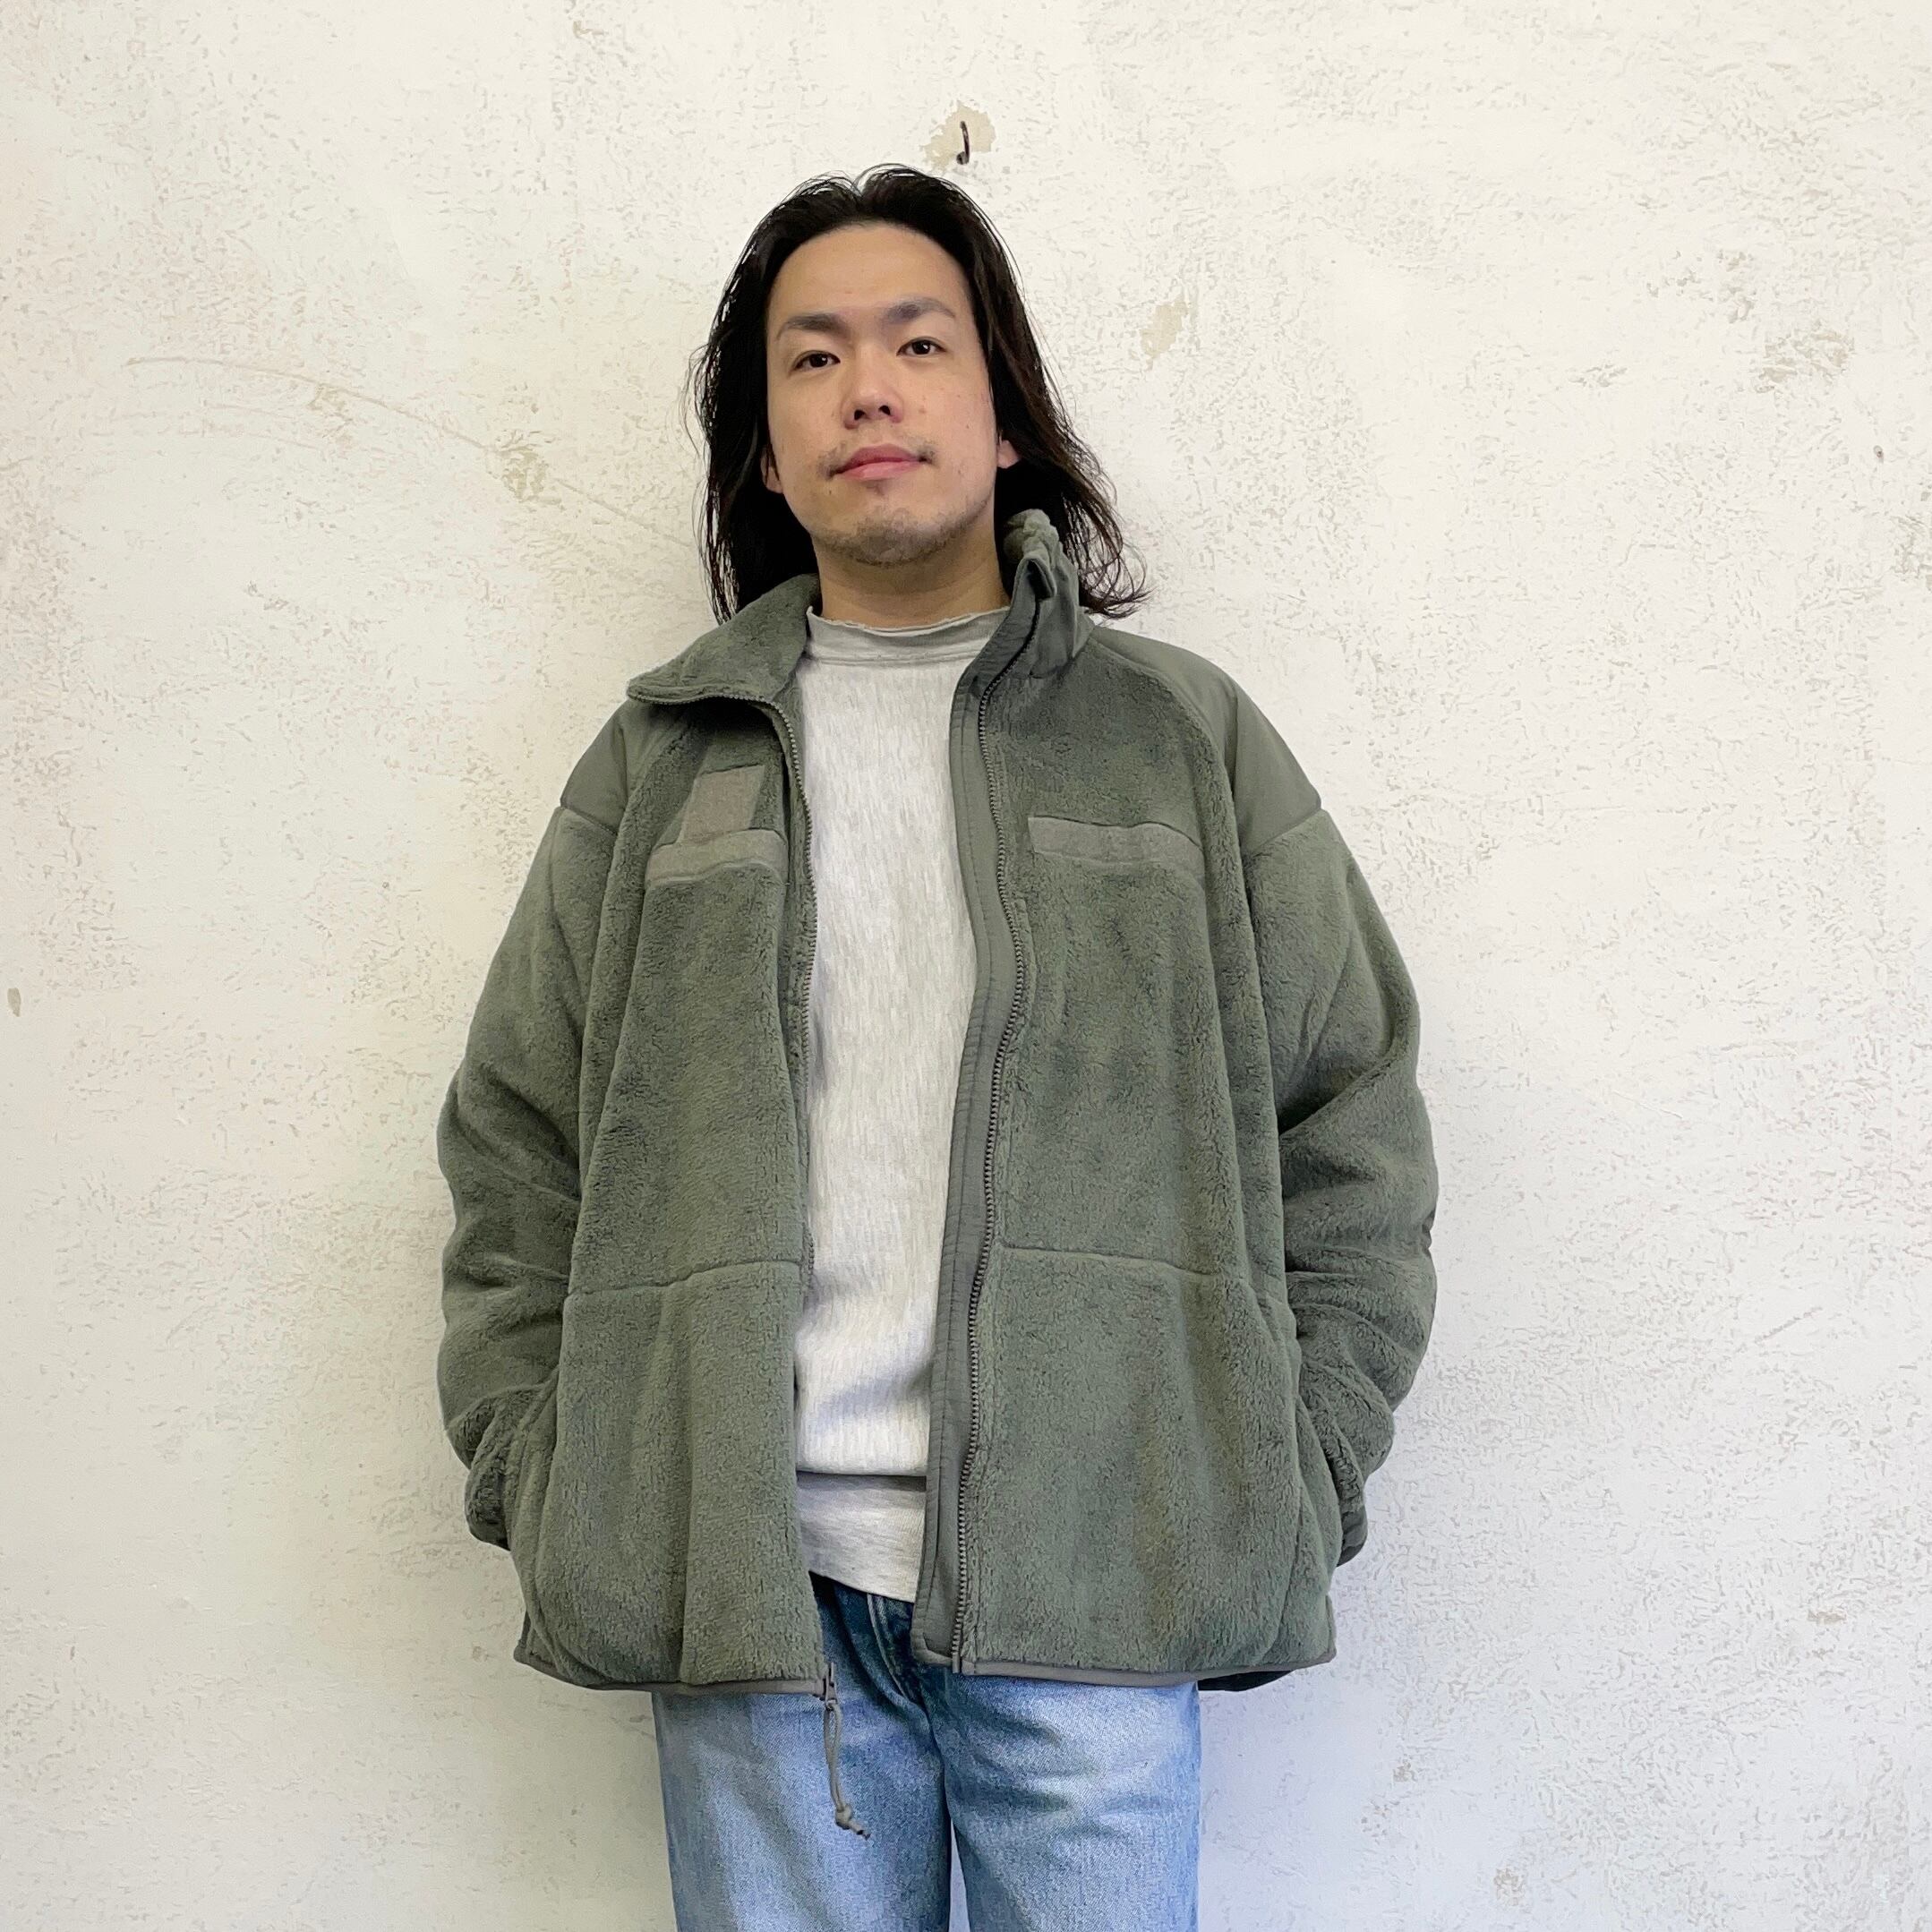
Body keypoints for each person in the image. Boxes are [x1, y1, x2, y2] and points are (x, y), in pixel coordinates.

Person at [434, 163, 1440, 1932]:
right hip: (758, 1603)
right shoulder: (664, 763)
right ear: (764, 451)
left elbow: (1345, 1110)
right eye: (811, 358)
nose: (866, 390)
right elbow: (520, 1138)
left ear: (1003, 411)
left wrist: (1290, 1462)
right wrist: (553, 1470)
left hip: (1103, 1573)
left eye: (917, 343)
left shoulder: (1178, 744)